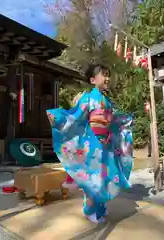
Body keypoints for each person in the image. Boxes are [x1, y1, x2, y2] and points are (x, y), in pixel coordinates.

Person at [46, 64, 133, 223]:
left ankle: (100, 207)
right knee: (93, 180)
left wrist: (122, 123)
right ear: (93, 80)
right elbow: (75, 117)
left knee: (106, 178)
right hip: (92, 144)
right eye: (103, 75)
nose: (107, 78)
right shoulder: (88, 98)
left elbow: (112, 121)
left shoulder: (106, 101)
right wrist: (58, 119)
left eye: (108, 75)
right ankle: (89, 210)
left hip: (106, 145)